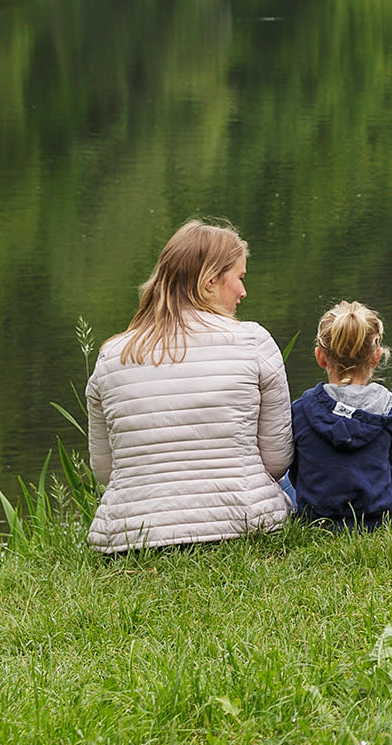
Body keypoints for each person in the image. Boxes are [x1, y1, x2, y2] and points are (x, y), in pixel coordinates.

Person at [86, 219, 294, 554]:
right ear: (211, 281)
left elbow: (105, 471)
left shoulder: (111, 356)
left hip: (134, 538)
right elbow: (276, 461)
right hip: (243, 525)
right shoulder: (253, 341)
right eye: (239, 278)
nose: (243, 292)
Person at [289, 301, 392, 531]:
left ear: (320, 357)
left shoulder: (302, 409)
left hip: (318, 521)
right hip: (382, 519)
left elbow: (297, 471)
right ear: (376, 357)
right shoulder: (390, 408)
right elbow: (388, 464)